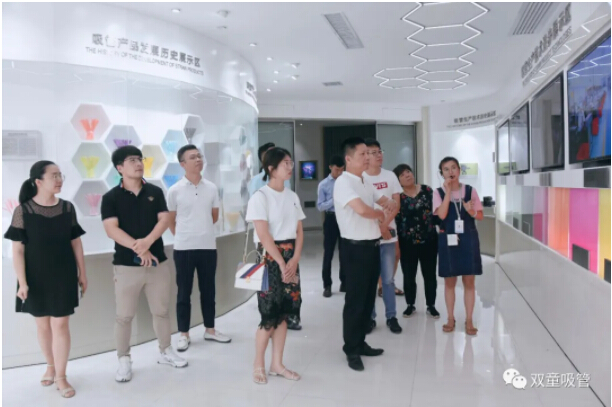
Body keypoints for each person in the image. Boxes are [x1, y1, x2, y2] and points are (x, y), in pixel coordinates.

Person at [101, 145, 187, 383]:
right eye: (132, 160)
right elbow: (111, 229)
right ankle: (124, 359)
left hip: (157, 263)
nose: (138, 163)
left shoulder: (155, 191)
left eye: (140, 159)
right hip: (126, 266)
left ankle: (165, 350)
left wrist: (147, 243)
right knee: (124, 316)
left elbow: (164, 220)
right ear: (120, 168)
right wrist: (139, 248)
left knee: (161, 311)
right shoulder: (110, 197)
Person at [4, 161, 86, 399]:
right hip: (34, 277)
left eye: (61, 175)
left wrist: (82, 272)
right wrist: (22, 282)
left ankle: (61, 376)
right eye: (54, 175)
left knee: (60, 324)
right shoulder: (23, 211)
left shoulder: (67, 208)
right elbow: (18, 250)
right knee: (42, 325)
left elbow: (75, 242)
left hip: (64, 274)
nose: (59, 180)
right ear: (38, 181)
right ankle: (50, 365)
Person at [333, 137, 398, 371]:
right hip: (355, 249)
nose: (368, 158)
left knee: (369, 297)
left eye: (369, 154)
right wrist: (380, 215)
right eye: (362, 154)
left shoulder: (365, 181)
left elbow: (385, 200)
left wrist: (388, 206)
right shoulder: (343, 182)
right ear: (348, 159)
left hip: (372, 246)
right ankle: (351, 349)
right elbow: (361, 210)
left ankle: (360, 342)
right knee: (355, 301)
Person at [245, 147, 305, 384]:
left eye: (291, 162)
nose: (290, 167)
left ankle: (277, 364)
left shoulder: (292, 196)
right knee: (269, 315)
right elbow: (263, 234)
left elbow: (299, 231)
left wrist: (295, 259)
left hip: (290, 257)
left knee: (284, 314)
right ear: (271, 169)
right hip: (269, 259)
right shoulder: (260, 197)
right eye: (285, 163)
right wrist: (281, 262)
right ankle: (258, 363)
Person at [168, 145, 231, 352]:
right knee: (183, 292)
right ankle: (183, 334)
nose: (198, 160)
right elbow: (170, 220)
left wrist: (200, 231)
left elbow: (214, 216)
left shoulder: (211, 188)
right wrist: (185, 235)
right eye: (192, 157)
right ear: (182, 164)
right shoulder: (174, 190)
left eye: (199, 156)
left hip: (207, 246)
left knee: (208, 290)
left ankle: (210, 329)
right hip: (183, 248)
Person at [433, 156, 483, 335]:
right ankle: (450, 318)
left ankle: (469, 319)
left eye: (453, 168)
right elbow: (441, 215)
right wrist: (448, 192)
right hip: (448, 240)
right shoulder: (438, 193)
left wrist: (471, 211)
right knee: (449, 281)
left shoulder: (470, 190)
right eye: (446, 169)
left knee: (469, 281)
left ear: (459, 170)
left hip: (468, 239)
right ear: (442, 174)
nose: (450, 172)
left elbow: (480, 216)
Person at [362, 140, 402, 334]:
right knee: (370, 280)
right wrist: (378, 227)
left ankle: (391, 316)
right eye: (373, 152)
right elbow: (362, 208)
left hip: (388, 236)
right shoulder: (360, 178)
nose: (378, 155)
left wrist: (385, 225)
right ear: (365, 156)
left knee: (388, 280)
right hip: (368, 236)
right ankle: (370, 318)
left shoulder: (390, 176)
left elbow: (396, 204)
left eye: (379, 151)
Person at [393, 164, 440, 319]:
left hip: (429, 241)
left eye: (408, 172)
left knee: (430, 275)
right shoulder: (398, 197)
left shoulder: (427, 190)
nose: (407, 175)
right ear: (398, 181)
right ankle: (410, 305)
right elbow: (396, 221)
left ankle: (431, 305)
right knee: (409, 275)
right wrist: (396, 244)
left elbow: (436, 212)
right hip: (407, 243)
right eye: (402, 174)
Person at [317, 154, 345, 297]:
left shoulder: (347, 182)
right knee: (328, 253)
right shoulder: (323, 184)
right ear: (330, 167)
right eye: (336, 170)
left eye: (341, 169)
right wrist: (334, 200)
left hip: (345, 219)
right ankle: (327, 285)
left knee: (345, 252)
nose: (339, 172)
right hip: (331, 219)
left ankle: (344, 282)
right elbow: (320, 206)